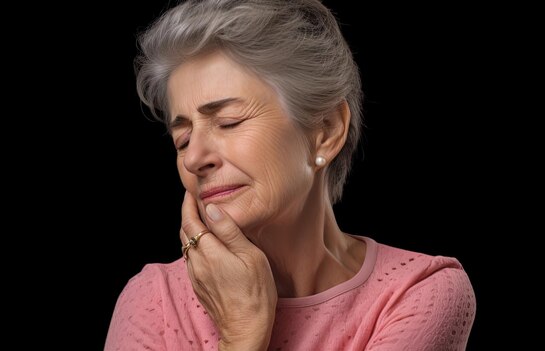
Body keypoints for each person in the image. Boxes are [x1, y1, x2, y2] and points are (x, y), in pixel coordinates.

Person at [105, 0, 476, 350]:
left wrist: (244, 331)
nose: (194, 158)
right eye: (182, 139)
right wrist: (240, 335)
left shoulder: (418, 291)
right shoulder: (153, 300)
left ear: (326, 131)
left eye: (229, 122)